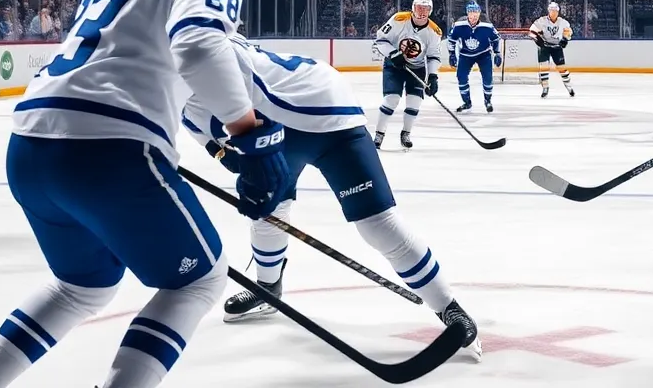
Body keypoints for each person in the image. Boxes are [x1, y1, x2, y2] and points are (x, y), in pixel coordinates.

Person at [0, 0, 290, 388]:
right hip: (111, 149)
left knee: (81, 284)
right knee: (199, 281)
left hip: (30, 145)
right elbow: (199, 47)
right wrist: (247, 132)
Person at [180, 34, 482, 360]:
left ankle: (448, 307)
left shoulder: (204, 52)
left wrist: (252, 171)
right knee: (268, 213)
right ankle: (268, 288)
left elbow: (241, 117)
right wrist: (243, 171)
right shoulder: (182, 106)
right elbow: (223, 152)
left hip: (325, 108)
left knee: (378, 224)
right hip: (281, 129)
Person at [371, 0, 444, 151]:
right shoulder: (399, 19)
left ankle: (406, 133)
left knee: (414, 102)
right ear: (413, 8)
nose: (422, 12)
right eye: (419, 8)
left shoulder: (434, 31)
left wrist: (433, 76)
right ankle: (379, 134)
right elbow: (381, 39)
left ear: (430, 10)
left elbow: (433, 56)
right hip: (394, 66)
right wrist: (393, 53)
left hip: (417, 68)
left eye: (426, 8)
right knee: (391, 99)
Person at [447, 0, 501, 112]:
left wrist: (497, 53)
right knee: (461, 77)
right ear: (467, 13)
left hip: (484, 54)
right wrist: (451, 54)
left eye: (476, 13)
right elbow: (451, 40)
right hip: (465, 55)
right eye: (471, 13)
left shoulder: (487, 26)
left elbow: (496, 39)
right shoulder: (459, 25)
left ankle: (488, 101)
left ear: (479, 13)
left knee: (488, 78)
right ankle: (467, 102)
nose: (474, 16)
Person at [528, 1, 575, 98]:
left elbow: (568, 32)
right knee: (543, 67)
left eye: (555, 11)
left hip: (557, 47)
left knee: (562, 68)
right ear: (548, 11)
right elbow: (531, 32)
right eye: (551, 10)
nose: (553, 13)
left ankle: (569, 87)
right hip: (544, 47)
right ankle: (545, 87)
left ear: (558, 12)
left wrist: (565, 39)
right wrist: (538, 40)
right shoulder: (542, 21)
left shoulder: (563, 22)